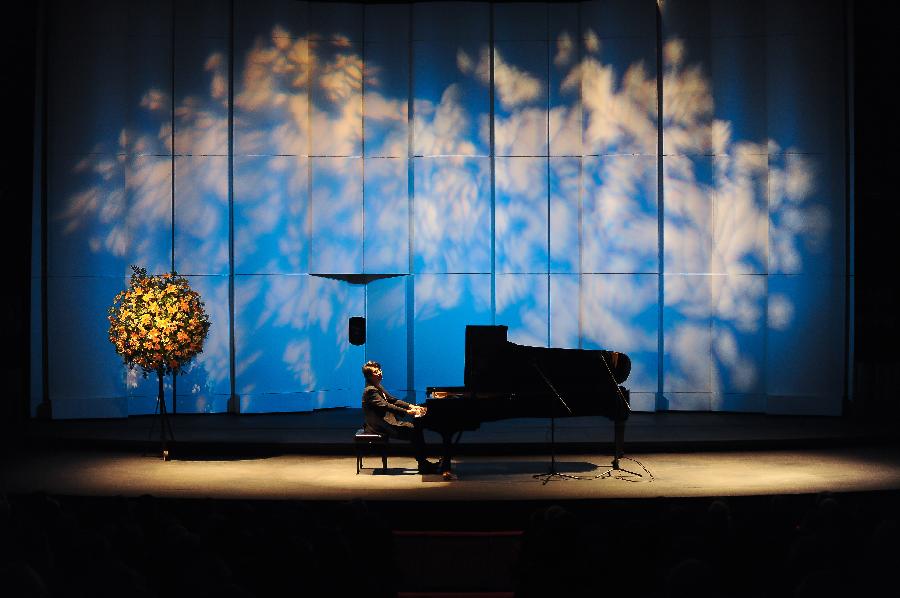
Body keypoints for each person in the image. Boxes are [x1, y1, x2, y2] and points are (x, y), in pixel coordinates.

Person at [361, 361, 439, 474]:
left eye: (379, 370)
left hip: (385, 421)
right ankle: (423, 463)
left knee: (415, 428)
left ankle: (423, 462)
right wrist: (408, 412)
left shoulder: (377, 386)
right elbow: (386, 406)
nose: (380, 373)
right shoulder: (370, 391)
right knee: (414, 429)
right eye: (376, 372)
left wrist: (412, 406)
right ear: (369, 376)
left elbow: (393, 400)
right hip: (380, 425)